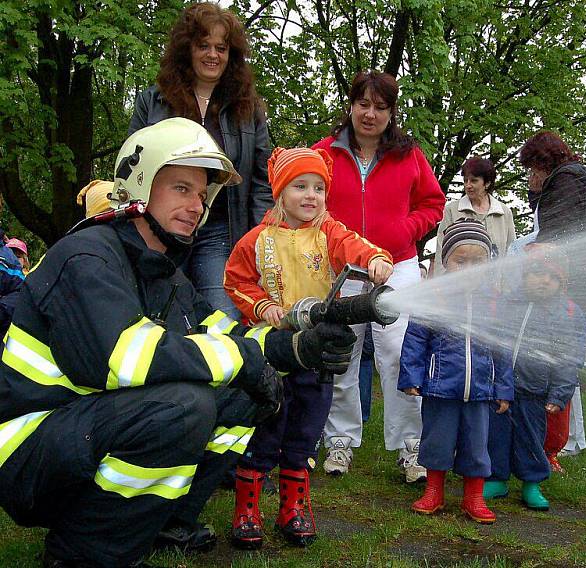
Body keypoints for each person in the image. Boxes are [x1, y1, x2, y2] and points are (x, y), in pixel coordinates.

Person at [0, 118, 355, 567]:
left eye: (202, 195)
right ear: (139, 185)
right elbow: (126, 357)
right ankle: (84, 553)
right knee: (183, 406)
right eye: (181, 189)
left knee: (249, 392)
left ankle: (165, 521)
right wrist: (247, 358)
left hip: (77, 436)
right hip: (27, 454)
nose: (196, 206)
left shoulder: (162, 271)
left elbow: (223, 333)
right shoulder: (87, 257)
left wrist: (297, 348)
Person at [223, 147, 393, 548]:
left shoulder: (328, 232)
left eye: (319, 187)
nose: (311, 196)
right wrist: (263, 306)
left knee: (305, 430)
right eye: (300, 186)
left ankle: (294, 507)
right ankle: (247, 509)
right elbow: (235, 280)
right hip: (274, 353)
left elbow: (355, 246)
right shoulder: (257, 239)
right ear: (280, 192)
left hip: (317, 355)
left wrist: (376, 259)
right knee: (266, 430)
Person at [313, 71, 445, 482]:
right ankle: (339, 441)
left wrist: (404, 230)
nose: (370, 114)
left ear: (391, 112)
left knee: (399, 352)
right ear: (350, 105)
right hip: (342, 267)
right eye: (363, 104)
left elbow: (433, 203)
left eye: (380, 107)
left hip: (399, 264)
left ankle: (411, 447)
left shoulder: (410, 156)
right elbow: (302, 200)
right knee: (341, 352)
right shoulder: (323, 153)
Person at [129, 2, 272, 319]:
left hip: (219, 232)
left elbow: (263, 183)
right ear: (187, 49)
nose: (212, 55)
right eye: (203, 45)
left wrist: (259, 240)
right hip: (160, 232)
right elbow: (133, 169)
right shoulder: (151, 102)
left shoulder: (249, 111)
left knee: (223, 319)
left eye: (221, 48)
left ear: (231, 55)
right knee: (155, 321)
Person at [399, 220, 513, 524]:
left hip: (479, 392)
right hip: (440, 388)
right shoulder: (434, 298)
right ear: (446, 261)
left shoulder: (494, 304)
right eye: (461, 261)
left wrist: (503, 389)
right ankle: (434, 491)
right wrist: (412, 377)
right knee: (436, 441)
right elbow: (415, 339)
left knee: (477, 446)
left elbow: (502, 350)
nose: (469, 269)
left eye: (478, 262)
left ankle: (473, 497)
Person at [511, 131, 586, 459]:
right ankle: (564, 439)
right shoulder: (568, 180)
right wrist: (537, 195)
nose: (530, 176)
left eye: (532, 168)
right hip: (568, 280)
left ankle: (567, 440)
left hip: (565, 284)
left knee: (561, 360)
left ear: (543, 161)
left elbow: (555, 235)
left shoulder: (566, 181)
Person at [484, 244, 586, 511]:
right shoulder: (507, 303)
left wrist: (560, 394)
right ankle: (497, 478)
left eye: (553, 277)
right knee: (497, 435)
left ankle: (532, 482)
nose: (545, 281)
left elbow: (569, 359)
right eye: (538, 273)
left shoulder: (565, 314)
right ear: (525, 273)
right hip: (502, 387)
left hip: (535, 390)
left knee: (531, 438)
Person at [433, 157, 516, 274]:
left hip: (496, 286)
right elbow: (441, 252)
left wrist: (507, 286)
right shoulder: (452, 210)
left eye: (474, 180)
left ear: (487, 183)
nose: (468, 185)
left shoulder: (504, 212)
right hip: (459, 284)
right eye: (465, 180)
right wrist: (440, 286)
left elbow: (511, 252)